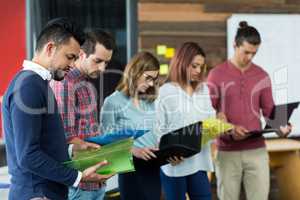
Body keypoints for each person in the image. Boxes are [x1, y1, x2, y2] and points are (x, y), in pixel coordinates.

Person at [1, 18, 113, 200]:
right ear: (50, 48)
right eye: (70, 57)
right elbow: (28, 155)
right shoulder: (29, 86)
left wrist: (73, 150)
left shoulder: (37, 83)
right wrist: (77, 177)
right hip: (37, 194)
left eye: (75, 58)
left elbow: (43, 145)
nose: (72, 65)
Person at [207, 21, 292, 200]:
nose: (250, 57)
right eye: (246, 52)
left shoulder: (262, 75)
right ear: (235, 45)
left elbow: (270, 112)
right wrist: (229, 128)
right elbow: (208, 113)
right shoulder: (216, 74)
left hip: (257, 151)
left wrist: (281, 126)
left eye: (254, 53)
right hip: (227, 151)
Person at [50, 29, 115, 200]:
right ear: (81, 54)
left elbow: (88, 132)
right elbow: (66, 138)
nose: (102, 68)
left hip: (94, 180)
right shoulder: (65, 84)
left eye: (106, 63)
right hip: (79, 184)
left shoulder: (85, 83)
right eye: (98, 61)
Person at [155, 42, 215, 200]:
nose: (198, 71)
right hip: (174, 165)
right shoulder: (165, 92)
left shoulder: (204, 90)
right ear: (182, 62)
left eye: (201, 67)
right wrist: (167, 153)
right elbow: (158, 130)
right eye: (194, 66)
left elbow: (211, 119)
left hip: (199, 162)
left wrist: (216, 127)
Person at [100, 52, 161, 200]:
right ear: (135, 72)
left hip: (153, 169)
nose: (151, 84)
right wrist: (134, 150)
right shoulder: (113, 102)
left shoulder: (151, 102)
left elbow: (156, 134)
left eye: (154, 79)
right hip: (130, 171)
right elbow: (106, 142)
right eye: (148, 78)